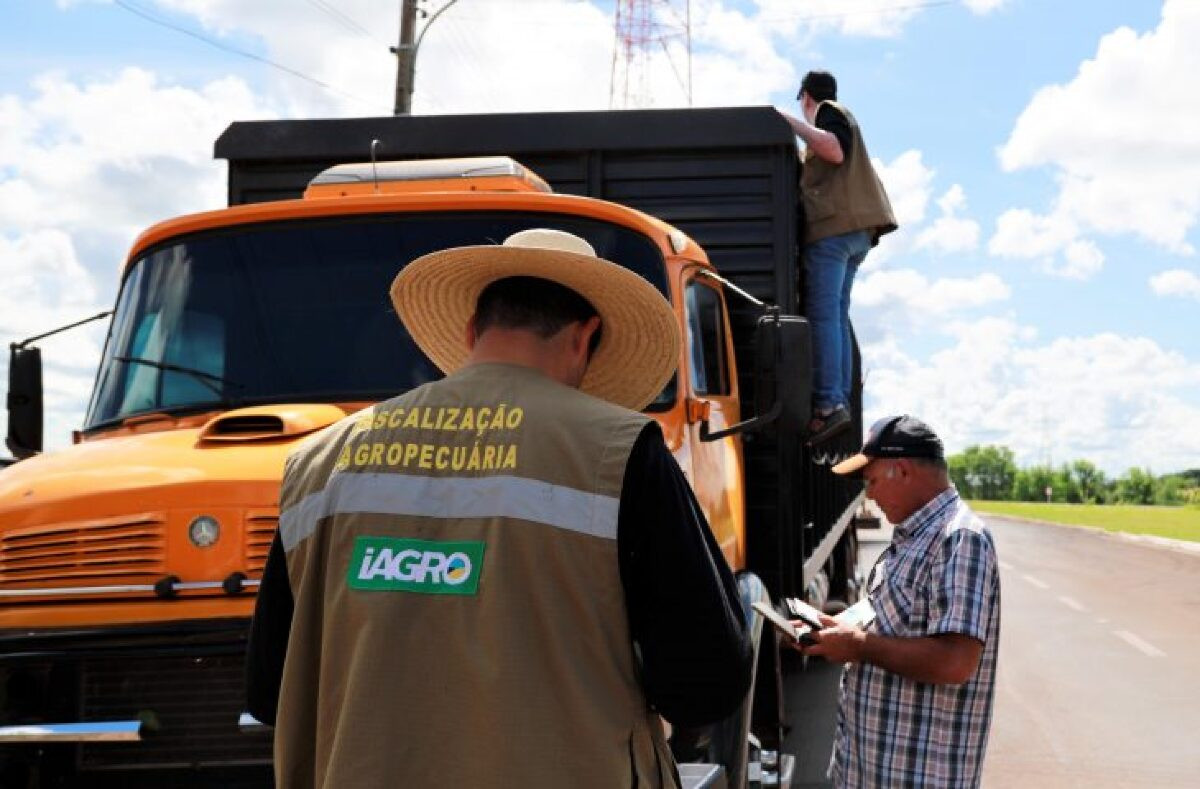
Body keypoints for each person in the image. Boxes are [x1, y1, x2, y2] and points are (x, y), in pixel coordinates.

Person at [245, 228, 753, 788]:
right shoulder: (618, 451)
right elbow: (706, 680)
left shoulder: (319, 462)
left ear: (470, 332)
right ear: (586, 337)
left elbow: (272, 690)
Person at [797, 415, 1000, 788]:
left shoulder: (960, 538)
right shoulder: (913, 537)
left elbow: (955, 662)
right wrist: (836, 629)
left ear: (902, 470)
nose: (869, 495)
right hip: (871, 771)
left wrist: (857, 646)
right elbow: (888, 619)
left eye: (872, 481)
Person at [781, 70, 898, 445]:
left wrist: (788, 123)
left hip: (834, 231)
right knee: (836, 315)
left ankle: (830, 404)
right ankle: (838, 402)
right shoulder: (842, 114)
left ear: (806, 98)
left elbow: (833, 149)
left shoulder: (830, 112)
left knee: (824, 314)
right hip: (858, 231)